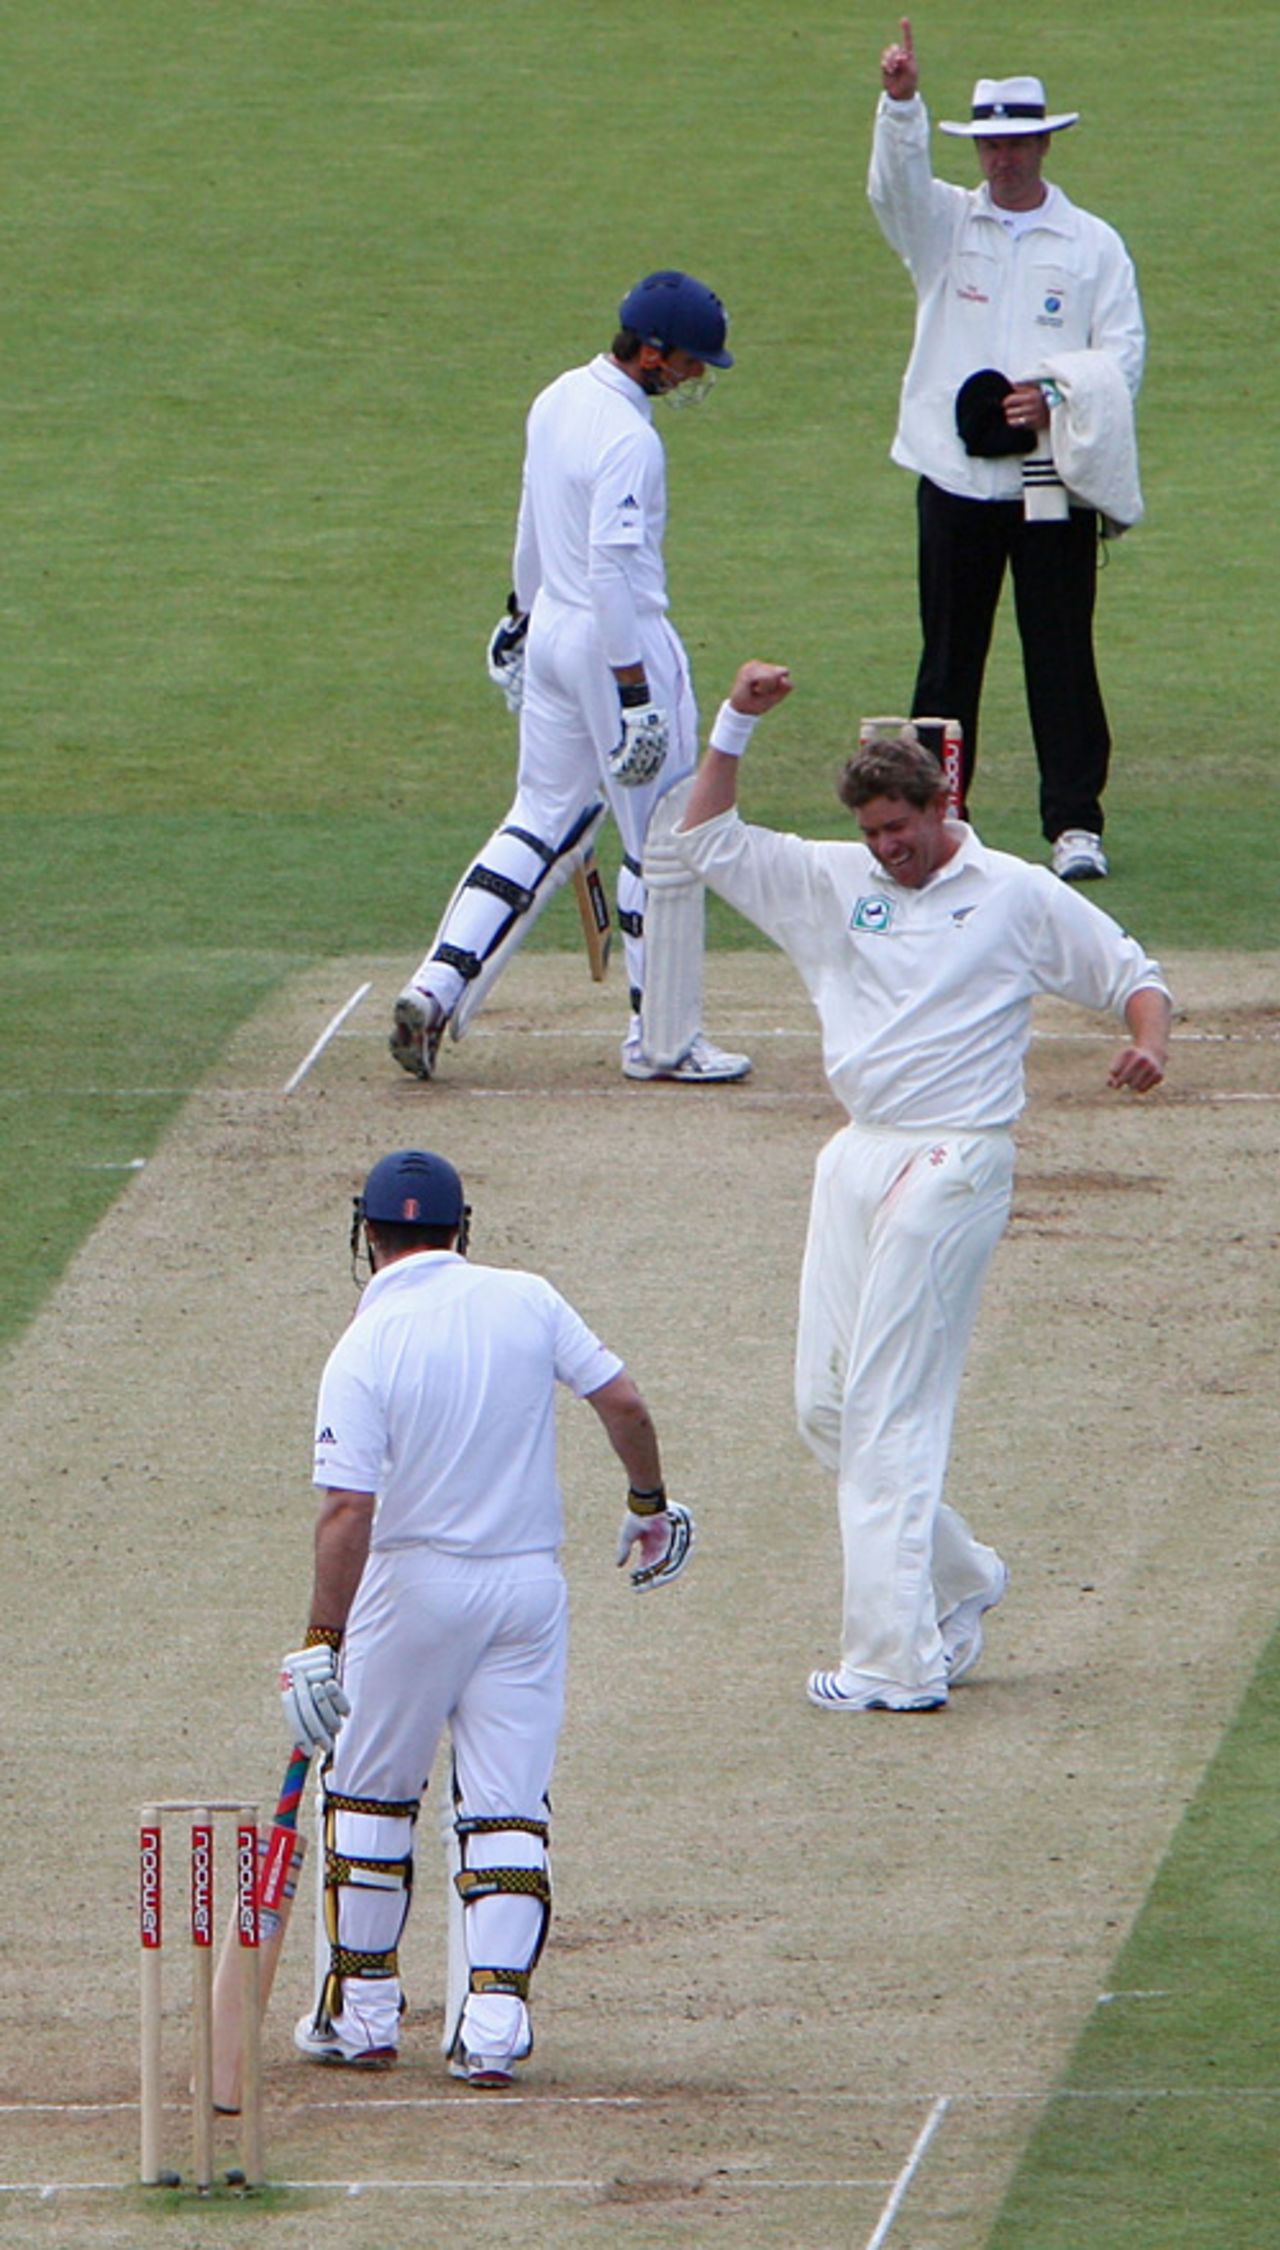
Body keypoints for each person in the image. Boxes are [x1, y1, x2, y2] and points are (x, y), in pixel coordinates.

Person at [660, 663, 1170, 1711]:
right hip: (858, 1153)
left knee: (890, 1407)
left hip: (955, 1160)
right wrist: (733, 725)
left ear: (941, 808)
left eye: (900, 826)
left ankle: (893, 1663)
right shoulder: (833, 881)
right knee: (824, 1408)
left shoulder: (1014, 893)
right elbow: (702, 838)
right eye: (872, 832)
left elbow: (1129, 971)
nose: (886, 847)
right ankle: (963, 1577)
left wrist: (1146, 1044)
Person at [278, 1148, 693, 2085]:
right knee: (508, 1805)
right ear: (461, 1228)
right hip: (525, 1593)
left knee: (374, 1796)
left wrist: (320, 1642)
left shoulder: (364, 1346)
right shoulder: (528, 1298)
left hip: (412, 1591)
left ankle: (365, 2015)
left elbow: (349, 1510)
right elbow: (622, 1401)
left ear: (368, 1235)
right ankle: (494, 2031)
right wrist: (648, 1505)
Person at [390, 269, 752, 1085]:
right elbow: (614, 571)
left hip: (551, 627)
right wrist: (634, 697)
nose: (695, 376)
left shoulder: (555, 397)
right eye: (690, 362)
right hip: (614, 642)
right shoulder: (631, 439)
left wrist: (518, 619)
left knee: (538, 818)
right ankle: (663, 1042)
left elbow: (530, 519)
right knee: (661, 839)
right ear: (652, 353)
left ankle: (434, 989)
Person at [869, 18, 1146, 882]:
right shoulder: (944, 227)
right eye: (990, 143)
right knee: (948, 655)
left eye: (1018, 141)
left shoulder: (1092, 243)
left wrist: (1056, 393)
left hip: (1049, 475)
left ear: (1043, 142)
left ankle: (1075, 825)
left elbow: (1123, 352)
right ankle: (932, 818)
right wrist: (901, 104)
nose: (1003, 158)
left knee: (1060, 650)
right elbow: (894, 191)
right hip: (955, 476)